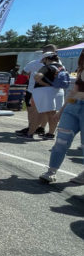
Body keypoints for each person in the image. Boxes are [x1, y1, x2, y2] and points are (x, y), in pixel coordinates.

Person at [39, 51, 84, 184]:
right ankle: (51, 172)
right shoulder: (81, 68)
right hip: (73, 107)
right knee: (61, 142)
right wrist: (61, 110)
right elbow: (74, 91)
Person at [16, 44, 56, 138]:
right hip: (51, 91)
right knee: (47, 111)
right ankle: (42, 128)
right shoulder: (59, 64)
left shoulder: (36, 63)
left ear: (43, 53)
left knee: (32, 111)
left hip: (34, 90)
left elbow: (24, 72)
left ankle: (31, 129)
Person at [25, 52, 65, 140]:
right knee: (52, 113)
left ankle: (30, 133)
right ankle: (51, 134)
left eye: (43, 60)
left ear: (47, 59)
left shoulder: (46, 67)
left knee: (38, 113)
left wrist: (45, 84)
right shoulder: (62, 67)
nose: (43, 62)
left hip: (44, 92)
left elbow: (37, 77)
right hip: (58, 91)